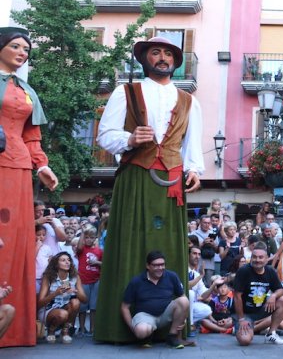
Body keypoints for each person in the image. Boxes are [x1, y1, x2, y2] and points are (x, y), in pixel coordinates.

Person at [94, 36, 204, 343]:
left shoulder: (189, 100)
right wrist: (129, 139)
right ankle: (122, 327)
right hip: (136, 174)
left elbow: (193, 144)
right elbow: (105, 135)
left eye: (168, 53)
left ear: (175, 61)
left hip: (172, 179)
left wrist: (194, 169)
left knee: (170, 242)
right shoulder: (125, 91)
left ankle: (173, 327)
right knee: (130, 240)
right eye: (155, 52)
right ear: (145, 58)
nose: (162, 57)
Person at [0, 27, 59, 348]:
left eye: (26, 49)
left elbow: (31, 136)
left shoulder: (26, 90)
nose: (23, 53)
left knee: (17, 239)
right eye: (15, 46)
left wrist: (43, 165)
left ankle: (14, 327)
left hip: (20, 165)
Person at [120, 251, 192, 349]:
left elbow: (183, 298)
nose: (160, 268)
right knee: (141, 331)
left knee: (184, 300)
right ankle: (147, 336)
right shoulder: (136, 281)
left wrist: (183, 318)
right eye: (156, 265)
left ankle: (172, 336)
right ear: (148, 266)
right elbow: (125, 307)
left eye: (162, 265)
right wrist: (133, 328)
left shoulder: (172, 276)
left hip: (166, 314)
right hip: (145, 316)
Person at [232, 243, 283, 346]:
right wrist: (241, 319)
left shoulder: (270, 271)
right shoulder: (243, 271)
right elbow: (237, 296)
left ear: (267, 259)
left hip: (261, 308)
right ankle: (243, 327)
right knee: (245, 341)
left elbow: (280, 290)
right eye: (254, 257)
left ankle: (271, 333)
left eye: (260, 257)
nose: (257, 260)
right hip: (244, 313)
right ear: (251, 258)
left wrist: (273, 295)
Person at [37, 252, 87, 344]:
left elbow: (84, 300)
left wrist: (75, 290)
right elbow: (39, 303)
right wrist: (55, 293)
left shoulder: (74, 277)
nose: (67, 262)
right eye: (63, 260)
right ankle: (51, 331)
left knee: (76, 302)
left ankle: (65, 331)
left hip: (65, 307)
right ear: (56, 264)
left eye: (68, 260)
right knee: (62, 314)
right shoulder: (49, 277)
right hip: (49, 310)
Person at [76, 225, 103, 336]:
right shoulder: (82, 250)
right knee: (82, 306)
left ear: (95, 238)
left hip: (95, 280)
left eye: (91, 237)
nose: (88, 240)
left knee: (93, 306)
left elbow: (104, 263)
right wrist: (83, 232)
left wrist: (96, 263)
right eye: (86, 237)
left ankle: (92, 329)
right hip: (83, 281)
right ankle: (82, 329)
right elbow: (78, 247)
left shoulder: (99, 251)